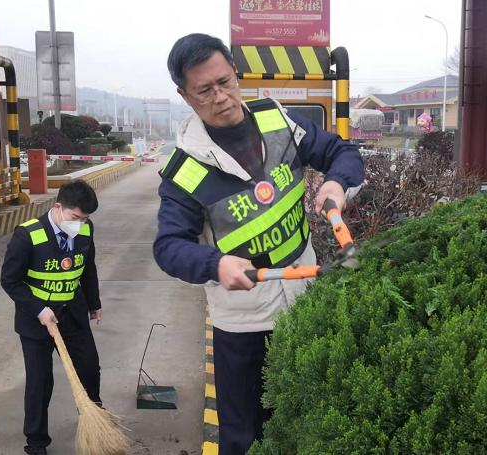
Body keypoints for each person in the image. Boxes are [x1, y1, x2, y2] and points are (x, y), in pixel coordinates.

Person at [153, 33, 365, 454]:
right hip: (243, 325)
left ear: (235, 73)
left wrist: (336, 184)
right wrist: (215, 265)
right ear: (184, 95)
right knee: (243, 436)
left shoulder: (278, 120)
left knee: (304, 422)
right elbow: (169, 246)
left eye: (225, 82)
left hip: (303, 301)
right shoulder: (185, 169)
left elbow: (342, 152)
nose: (221, 97)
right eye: (205, 91)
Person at [0, 181, 103, 455]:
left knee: (89, 370)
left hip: (73, 314)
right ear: (58, 207)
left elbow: (88, 268)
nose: (80, 224)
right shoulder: (27, 235)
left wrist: (94, 303)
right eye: (75, 217)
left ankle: (96, 425)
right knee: (40, 381)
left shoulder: (86, 230)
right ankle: (36, 441)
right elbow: (10, 281)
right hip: (37, 320)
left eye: (85, 219)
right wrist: (39, 309)